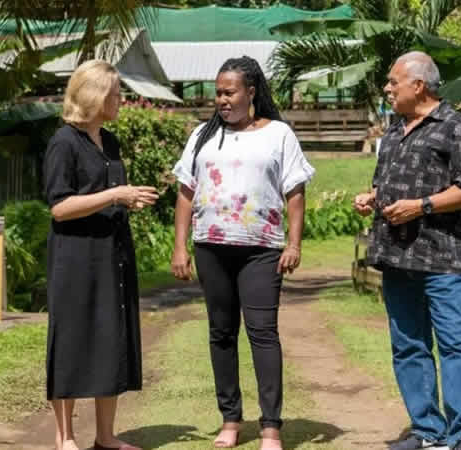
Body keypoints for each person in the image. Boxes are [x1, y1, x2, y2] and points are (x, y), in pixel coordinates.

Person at [171, 56, 314, 450]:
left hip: (261, 250)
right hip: (211, 247)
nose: (222, 99)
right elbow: (185, 193)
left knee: (263, 333)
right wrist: (180, 246)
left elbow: (295, 192)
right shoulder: (202, 135)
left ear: (251, 92)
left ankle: (271, 427)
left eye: (229, 92)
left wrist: (294, 244)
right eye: (218, 92)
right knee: (221, 333)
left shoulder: (279, 134)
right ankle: (230, 419)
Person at [353, 51, 461, 450]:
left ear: (419, 85)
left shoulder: (455, 127)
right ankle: (428, 431)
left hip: (441, 256)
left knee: (454, 344)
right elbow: (388, 182)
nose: (387, 88)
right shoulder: (395, 130)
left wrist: (422, 206)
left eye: (393, 82)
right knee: (408, 345)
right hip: (396, 256)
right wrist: (372, 197)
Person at [43, 60, 159, 450]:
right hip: (76, 258)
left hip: (112, 253)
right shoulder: (63, 142)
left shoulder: (109, 141)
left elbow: (107, 196)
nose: (121, 100)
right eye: (115, 94)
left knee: (110, 337)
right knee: (72, 340)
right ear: (94, 96)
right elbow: (59, 207)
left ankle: (106, 436)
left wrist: (128, 199)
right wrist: (114, 195)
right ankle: (65, 437)